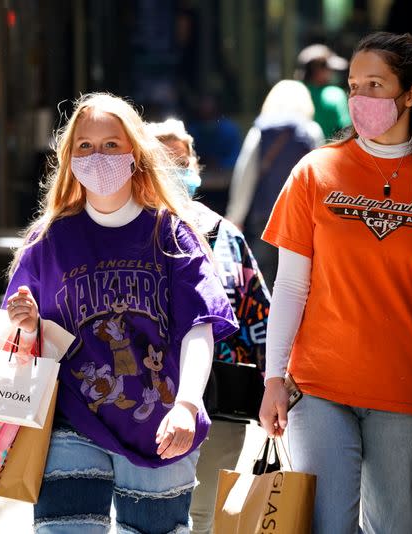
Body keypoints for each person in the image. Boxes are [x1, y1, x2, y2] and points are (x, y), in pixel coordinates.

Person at [259, 32, 412, 533]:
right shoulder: (315, 171)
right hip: (320, 387)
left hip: (406, 388)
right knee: (326, 525)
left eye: (375, 84)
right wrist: (273, 377)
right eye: (353, 85)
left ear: (411, 94)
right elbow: (290, 286)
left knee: (398, 527)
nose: (360, 97)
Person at [4, 93, 238, 533]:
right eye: (84, 146)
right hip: (70, 420)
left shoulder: (172, 234)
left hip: (161, 422)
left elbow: (198, 327)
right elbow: (15, 340)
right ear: (69, 159)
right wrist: (27, 325)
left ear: (136, 154)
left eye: (111, 144)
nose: (98, 156)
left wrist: (187, 404)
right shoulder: (47, 240)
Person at [148, 118, 271, 534]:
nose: (172, 170)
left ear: (194, 166)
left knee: (205, 516)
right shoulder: (127, 235)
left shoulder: (226, 235)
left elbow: (259, 314)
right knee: (153, 513)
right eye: (160, 160)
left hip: (223, 399)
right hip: (147, 402)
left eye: (179, 160)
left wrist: (276, 381)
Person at [226, 80, 324, 288]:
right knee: (300, 277)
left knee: (263, 275)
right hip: (302, 218)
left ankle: (266, 318)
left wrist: (235, 216)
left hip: (266, 216)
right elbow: (321, 176)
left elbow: (245, 174)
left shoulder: (260, 131)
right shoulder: (311, 131)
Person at [295, 43, 352, 140]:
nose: (332, 73)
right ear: (317, 69)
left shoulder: (294, 92)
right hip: (329, 152)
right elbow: (347, 129)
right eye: (329, 69)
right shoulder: (335, 95)